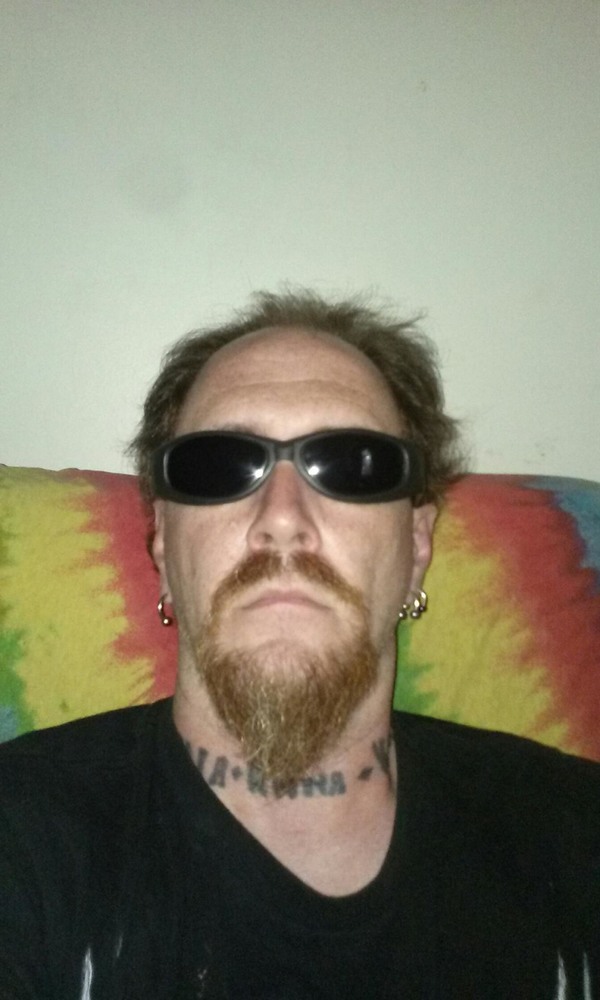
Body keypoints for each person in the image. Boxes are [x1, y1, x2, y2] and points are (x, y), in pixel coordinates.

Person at [0, 289, 598, 999]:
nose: (282, 519)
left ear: (416, 547)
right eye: (220, 465)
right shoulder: (22, 835)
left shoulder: (576, 832)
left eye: (352, 465)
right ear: (162, 544)